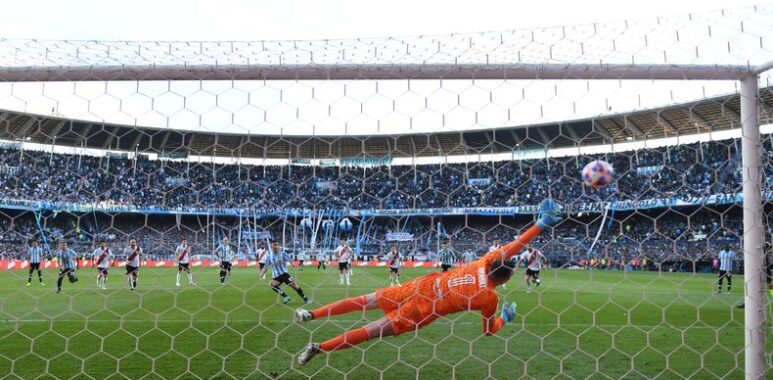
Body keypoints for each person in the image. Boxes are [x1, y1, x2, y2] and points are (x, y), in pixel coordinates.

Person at [294, 199, 561, 365]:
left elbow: (514, 246)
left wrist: (539, 224)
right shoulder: (489, 298)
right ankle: (318, 348)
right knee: (371, 329)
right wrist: (504, 317)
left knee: (362, 301)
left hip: (419, 286)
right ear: (508, 277)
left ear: (492, 262)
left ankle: (310, 314)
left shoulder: (483, 261)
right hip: (423, 310)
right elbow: (489, 331)